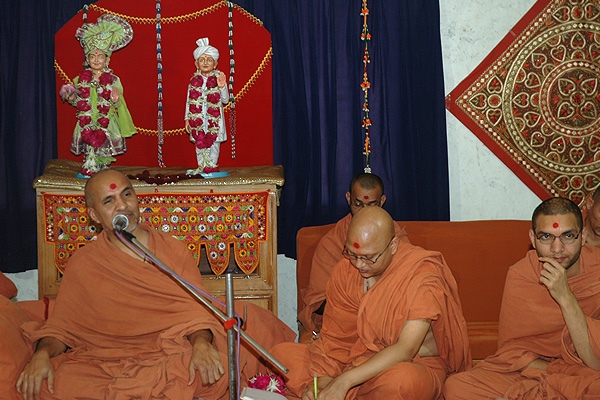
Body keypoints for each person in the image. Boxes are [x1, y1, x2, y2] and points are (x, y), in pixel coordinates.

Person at [16, 169, 294, 400]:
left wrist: (201, 344)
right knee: (48, 382)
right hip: (103, 360)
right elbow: (63, 327)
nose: (123, 206)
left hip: (165, 354)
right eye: (109, 201)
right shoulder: (84, 262)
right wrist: (42, 355)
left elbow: (197, 313)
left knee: (212, 370)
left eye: (127, 194)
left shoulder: (171, 250)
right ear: (94, 216)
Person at [272, 207, 471, 399]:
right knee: (280, 355)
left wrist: (344, 382)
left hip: (410, 363)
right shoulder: (346, 271)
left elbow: (406, 349)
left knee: (402, 382)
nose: (359, 264)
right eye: (352, 254)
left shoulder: (421, 275)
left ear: (393, 246)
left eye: (368, 258)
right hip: (355, 358)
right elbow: (336, 340)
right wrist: (324, 381)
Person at [444, 197, 600, 399]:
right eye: (546, 237)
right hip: (536, 370)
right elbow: (511, 352)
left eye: (568, 236)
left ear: (583, 236)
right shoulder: (522, 274)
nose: (557, 248)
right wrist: (558, 372)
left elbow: (594, 361)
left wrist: (566, 297)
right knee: (457, 386)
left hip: (583, 371)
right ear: (533, 239)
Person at [297, 172, 410, 341]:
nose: (365, 212)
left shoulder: (396, 238)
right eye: (358, 205)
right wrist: (354, 295)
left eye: (372, 205)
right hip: (345, 322)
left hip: (388, 319)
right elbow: (319, 304)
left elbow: (409, 288)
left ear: (382, 201)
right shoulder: (332, 242)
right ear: (349, 199)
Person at [60, 14, 137, 178]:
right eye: (92, 56)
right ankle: (90, 167)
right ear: (87, 60)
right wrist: (72, 99)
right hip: (87, 120)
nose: (96, 60)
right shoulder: (79, 80)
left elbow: (118, 103)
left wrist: (115, 100)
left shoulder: (114, 80)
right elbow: (79, 102)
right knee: (89, 147)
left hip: (107, 121)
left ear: (107, 60)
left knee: (104, 147)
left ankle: (103, 171)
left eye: (100, 56)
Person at [185, 37, 229, 175]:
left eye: (209, 60)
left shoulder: (218, 79)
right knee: (199, 143)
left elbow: (226, 100)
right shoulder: (193, 82)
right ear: (196, 64)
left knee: (214, 144)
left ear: (215, 64)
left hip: (214, 120)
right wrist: (187, 119)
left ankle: (212, 167)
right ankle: (201, 168)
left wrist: (222, 87)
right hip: (197, 119)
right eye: (202, 60)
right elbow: (188, 102)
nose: (205, 63)